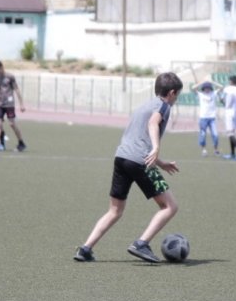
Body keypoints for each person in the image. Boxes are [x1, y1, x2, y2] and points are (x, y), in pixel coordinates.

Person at [73, 72, 183, 264]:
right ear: (172, 93)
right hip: (140, 162)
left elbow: (137, 140)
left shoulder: (144, 106)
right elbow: (152, 124)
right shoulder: (163, 106)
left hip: (122, 158)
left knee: (114, 211)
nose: (176, 99)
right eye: (177, 95)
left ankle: (85, 249)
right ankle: (142, 244)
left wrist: (161, 162)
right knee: (170, 206)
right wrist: (156, 148)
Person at [0, 60, 27, 152]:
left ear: (1, 67)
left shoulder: (10, 77)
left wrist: (21, 104)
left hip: (9, 104)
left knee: (12, 124)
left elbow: (17, 90)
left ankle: (21, 142)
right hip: (0, 104)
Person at [191, 79, 223, 157]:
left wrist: (211, 82)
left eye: (208, 88)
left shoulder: (213, 93)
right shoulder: (200, 94)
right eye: (205, 88)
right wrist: (203, 82)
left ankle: (216, 150)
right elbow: (193, 88)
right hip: (203, 118)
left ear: (210, 88)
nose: (207, 89)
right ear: (203, 88)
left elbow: (221, 87)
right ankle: (204, 150)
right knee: (203, 134)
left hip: (212, 118)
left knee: (215, 134)